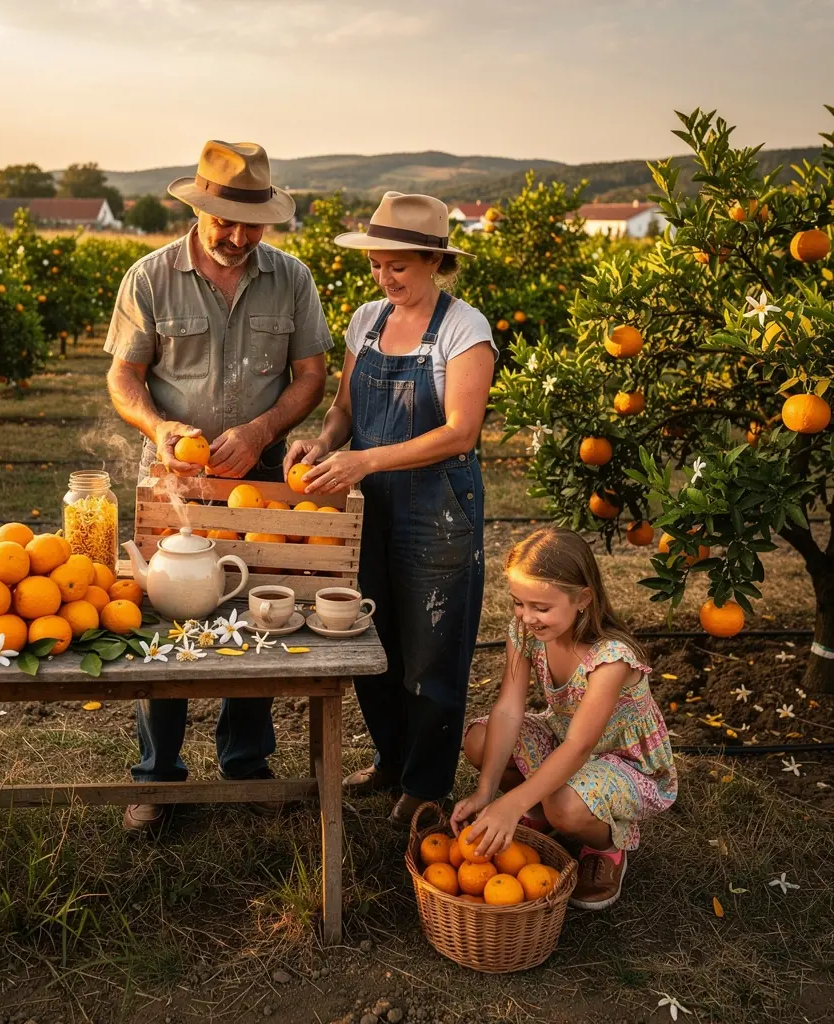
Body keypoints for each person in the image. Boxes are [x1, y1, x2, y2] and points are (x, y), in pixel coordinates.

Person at [104, 140, 333, 832]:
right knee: (168, 616)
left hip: (259, 479)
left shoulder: (290, 279)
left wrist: (262, 432)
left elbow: (310, 377)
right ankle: (158, 775)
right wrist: (159, 427)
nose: (237, 238)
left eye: (251, 224)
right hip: (174, 476)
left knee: (256, 609)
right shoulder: (151, 277)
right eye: (224, 223)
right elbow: (123, 377)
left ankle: (245, 762)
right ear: (201, 208)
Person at [285, 191, 495, 824]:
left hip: (437, 507)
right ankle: (389, 760)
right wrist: (321, 443)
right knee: (368, 635)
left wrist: (368, 460)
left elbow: (461, 431)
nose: (384, 278)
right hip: (368, 504)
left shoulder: (464, 328)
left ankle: (427, 784)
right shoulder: (367, 320)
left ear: (434, 260)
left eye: (397, 266)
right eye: (376, 264)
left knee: (433, 645)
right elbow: (346, 409)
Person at [451, 527, 678, 910]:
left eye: (541, 607)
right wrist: (488, 791)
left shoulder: (610, 659)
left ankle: (605, 848)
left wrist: (512, 803)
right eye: (518, 603)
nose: (527, 617)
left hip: (624, 762)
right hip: (564, 739)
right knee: (480, 738)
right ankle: (540, 812)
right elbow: (509, 707)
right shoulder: (523, 632)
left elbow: (580, 745)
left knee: (567, 804)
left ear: (583, 599)